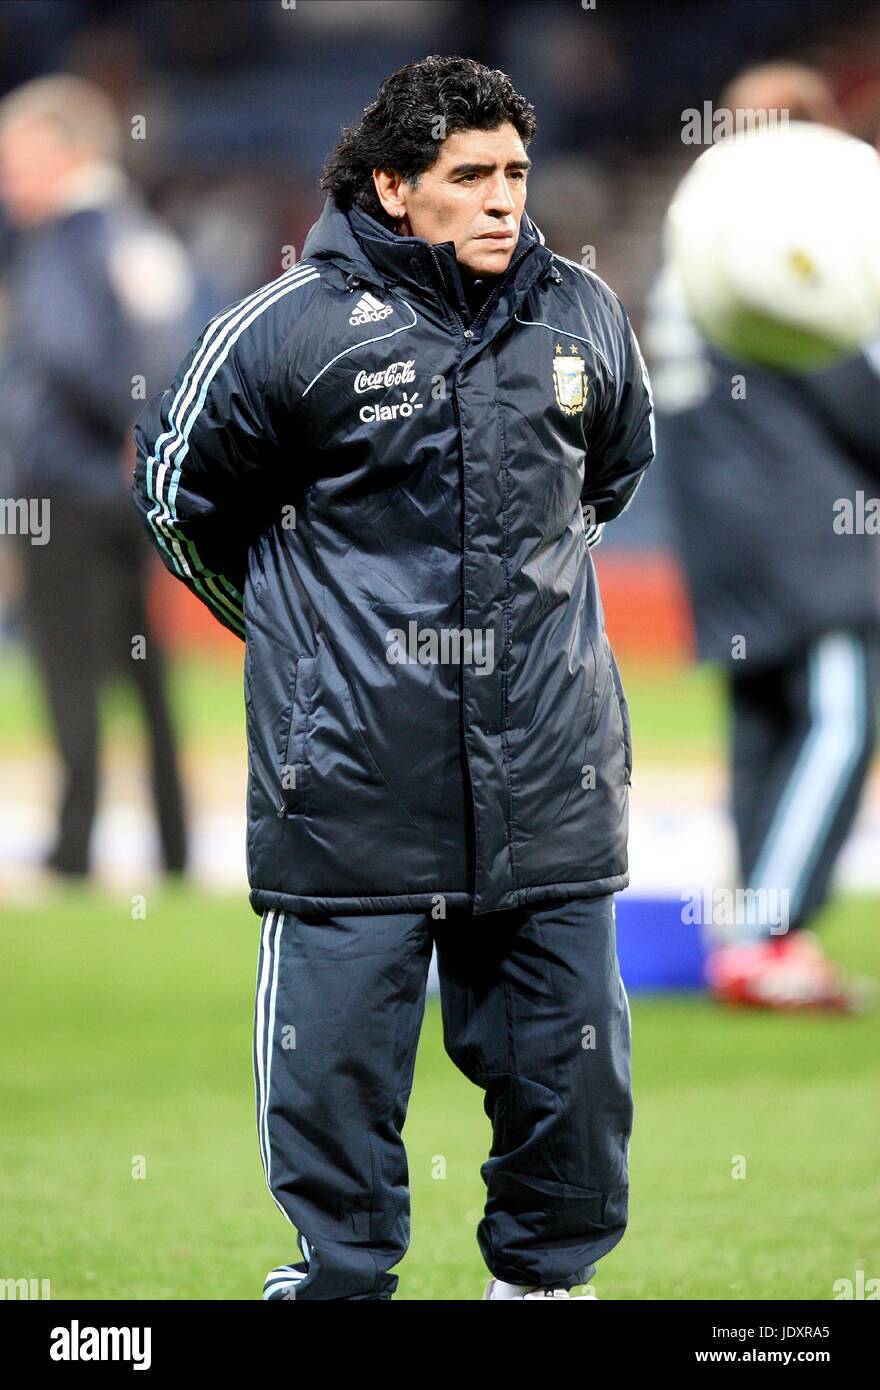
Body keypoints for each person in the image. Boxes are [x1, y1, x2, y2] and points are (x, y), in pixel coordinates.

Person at [132, 56, 654, 1301]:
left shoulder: (582, 313)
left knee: (571, 1085)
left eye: (515, 174)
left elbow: (612, 476)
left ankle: (542, 1285)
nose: (501, 201)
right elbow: (177, 498)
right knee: (334, 1084)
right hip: (350, 784)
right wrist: (298, 644)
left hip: (549, 782)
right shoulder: (286, 331)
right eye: (468, 176)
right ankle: (340, 1283)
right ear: (391, 185)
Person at [645, 64, 880, 1012]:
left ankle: (757, 928)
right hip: (808, 530)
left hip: (718, 525)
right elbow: (844, 390)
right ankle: (769, 934)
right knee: (840, 715)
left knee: (765, 726)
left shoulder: (695, 238)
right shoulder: (784, 232)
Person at [0, 75, 192, 885]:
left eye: (18, 160)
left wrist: (112, 418)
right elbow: (171, 345)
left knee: (67, 667)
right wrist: (141, 431)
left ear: (67, 151)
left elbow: (67, 352)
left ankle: (73, 849)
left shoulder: (64, 241)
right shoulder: (138, 232)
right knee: (146, 673)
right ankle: (174, 842)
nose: (9, 182)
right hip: (126, 489)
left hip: (61, 489)